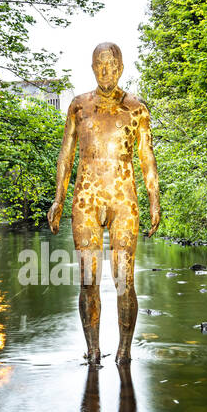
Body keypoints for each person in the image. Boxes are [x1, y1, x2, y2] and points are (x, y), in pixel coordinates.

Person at [48, 42, 160, 363]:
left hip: (123, 200)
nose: (106, 70)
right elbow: (66, 155)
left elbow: (146, 157)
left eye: (112, 64)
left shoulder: (136, 109)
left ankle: (124, 353)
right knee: (88, 280)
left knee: (124, 281)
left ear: (121, 67)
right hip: (86, 199)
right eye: (100, 64)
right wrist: (58, 199)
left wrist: (154, 199)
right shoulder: (78, 106)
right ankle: (93, 350)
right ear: (92, 67)